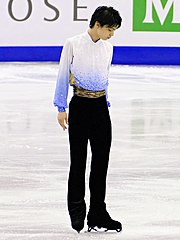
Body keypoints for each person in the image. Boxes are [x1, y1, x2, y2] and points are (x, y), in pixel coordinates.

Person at [54, 6, 122, 233]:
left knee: (101, 163)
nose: (112, 34)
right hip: (80, 106)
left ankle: (97, 214)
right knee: (79, 161)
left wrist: (106, 102)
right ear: (97, 25)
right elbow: (63, 74)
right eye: (110, 29)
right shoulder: (73, 43)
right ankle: (76, 210)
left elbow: (105, 77)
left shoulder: (108, 48)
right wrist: (61, 106)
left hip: (101, 109)